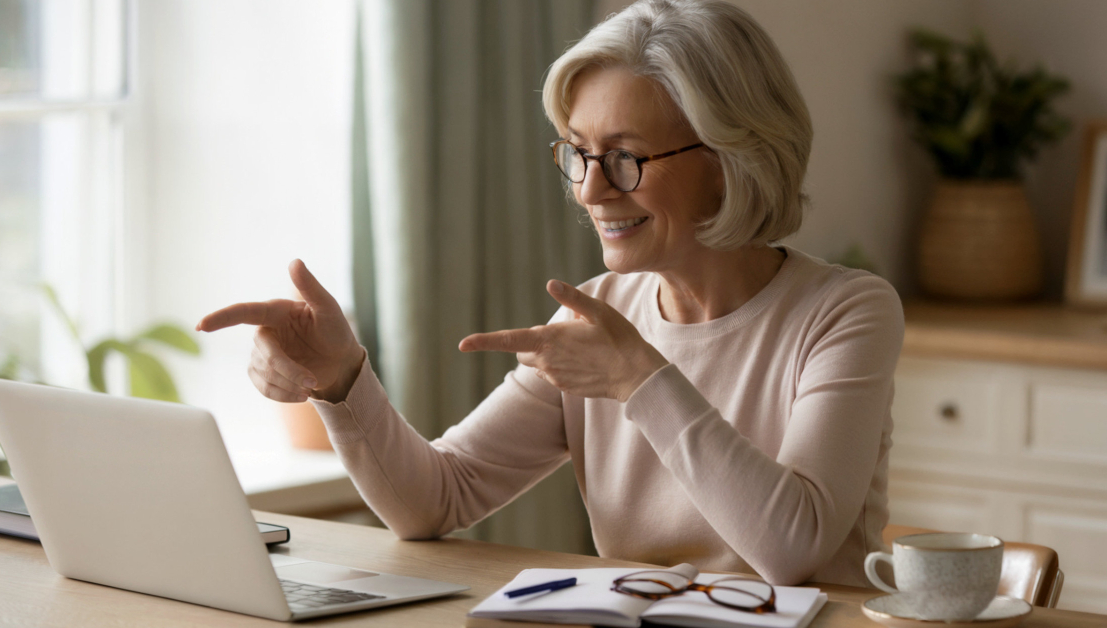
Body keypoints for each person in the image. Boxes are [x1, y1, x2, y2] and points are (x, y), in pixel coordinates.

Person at [198, 0, 902, 587]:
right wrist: (341, 379)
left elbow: (794, 548)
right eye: (578, 154)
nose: (590, 190)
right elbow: (433, 500)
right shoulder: (601, 314)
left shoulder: (844, 312)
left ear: (730, 161)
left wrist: (642, 379)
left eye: (624, 158)